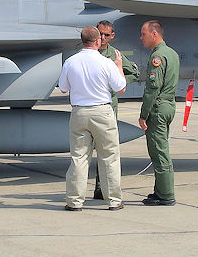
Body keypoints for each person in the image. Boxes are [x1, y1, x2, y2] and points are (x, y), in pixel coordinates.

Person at [58, 26, 128, 211]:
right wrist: (119, 66)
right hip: (102, 112)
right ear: (98, 41)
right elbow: (121, 88)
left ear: (82, 41)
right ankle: (113, 201)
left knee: (78, 157)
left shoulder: (71, 62)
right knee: (109, 157)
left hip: (79, 112)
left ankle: (74, 202)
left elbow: (63, 88)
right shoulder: (106, 63)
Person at [91, 20, 139, 200]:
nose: (102, 38)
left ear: (112, 36)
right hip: (90, 106)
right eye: (99, 33)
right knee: (87, 150)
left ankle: (101, 188)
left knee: (107, 149)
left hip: (109, 106)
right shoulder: (88, 53)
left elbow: (133, 73)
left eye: (106, 35)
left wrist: (115, 85)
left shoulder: (114, 55)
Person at [138, 20, 179, 206]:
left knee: (159, 151)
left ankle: (166, 194)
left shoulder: (158, 57)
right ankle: (160, 190)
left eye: (143, 34)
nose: (141, 38)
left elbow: (153, 88)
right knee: (160, 148)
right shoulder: (172, 53)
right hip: (169, 105)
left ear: (154, 34)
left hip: (158, 107)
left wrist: (144, 114)